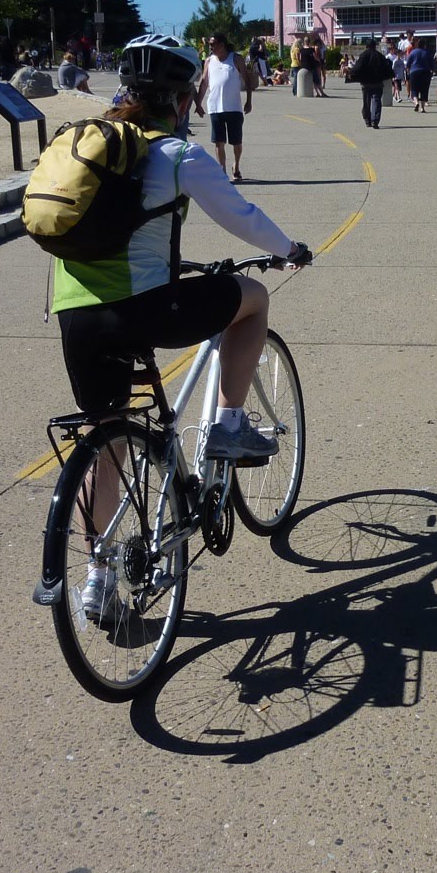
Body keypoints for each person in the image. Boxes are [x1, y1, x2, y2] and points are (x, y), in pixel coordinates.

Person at [53, 35, 312, 622]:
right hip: (147, 306)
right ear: (184, 96)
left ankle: (97, 575)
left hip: (75, 313)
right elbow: (241, 216)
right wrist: (289, 248)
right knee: (253, 297)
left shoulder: (89, 146)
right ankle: (226, 426)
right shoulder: (176, 154)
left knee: (109, 434)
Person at [194, 32, 256, 182]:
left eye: (213, 44)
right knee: (218, 141)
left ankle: (236, 165)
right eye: (209, 44)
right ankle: (222, 172)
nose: (210, 47)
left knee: (236, 142)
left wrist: (248, 101)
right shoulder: (209, 61)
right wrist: (198, 104)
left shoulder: (235, 59)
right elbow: (204, 83)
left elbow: (247, 80)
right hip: (215, 107)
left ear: (222, 45)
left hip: (233, 107)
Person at [349, 36, 392, 128]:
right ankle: (375, 121)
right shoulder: (380, 56)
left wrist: (350, 73)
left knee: (366, 102)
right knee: (376, 101)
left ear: (367, 46)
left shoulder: (363, 55)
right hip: (378, 83)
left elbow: (358, 68)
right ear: (375, 46)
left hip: (366, 83)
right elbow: (387, 68)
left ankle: (367, 120)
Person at [405, 39, 432, 111]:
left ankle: (416, 102)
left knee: (414, 89)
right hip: (425, 72)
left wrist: (408, 71)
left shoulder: (413, 52)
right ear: (424, 45)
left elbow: (408, 64)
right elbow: (432, 64)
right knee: (424, 90)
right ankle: (422, 108)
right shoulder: (427, 53)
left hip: (414, 72)